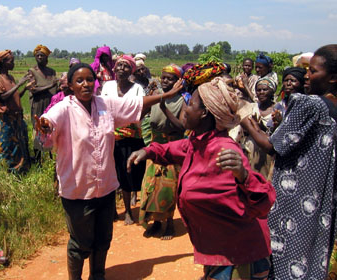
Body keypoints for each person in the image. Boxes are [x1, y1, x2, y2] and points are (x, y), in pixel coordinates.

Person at [35, 63, 183, 280]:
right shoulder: (64, 109)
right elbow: (49, 124)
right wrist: (45, 126)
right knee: (80, 243)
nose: (85, 84)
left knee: (103, 239)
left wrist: (166, 95)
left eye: (89, 79)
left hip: (104, 187)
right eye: (79, 80)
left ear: (96, 82)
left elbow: (137, 103)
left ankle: (98, 275)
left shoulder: (106, 104)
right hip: (77, 191)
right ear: (71, 85)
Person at [127, 77, 276, 280]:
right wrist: (148, 151)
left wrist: (244, 175)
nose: (185, 109)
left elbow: (263, 203)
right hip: (219, 250)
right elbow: (175, 148)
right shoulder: (199, 142)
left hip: (239, 255)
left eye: (190, 104)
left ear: (204, 113)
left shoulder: (224, 150)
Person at [239, 44, 337, 279]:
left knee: (285, 255)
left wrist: (244, 121)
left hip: (296, 196)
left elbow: (274, 146)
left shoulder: (310, 104)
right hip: (323, 195)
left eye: (313, 72)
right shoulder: (332, 107)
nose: (307, 77)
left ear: (333, 77)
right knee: (313, 253)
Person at [139, 64, 186, 240]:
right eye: (163, 77)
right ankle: (155, 222)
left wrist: (165, 107)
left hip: (171, 147)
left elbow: (182, 126)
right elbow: (142, 114)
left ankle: (170, 224)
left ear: (178, 82)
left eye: (170, 78)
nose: (165, 81)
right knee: (150, 185)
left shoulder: (182, 101)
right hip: (154, 145)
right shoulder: (155, 97)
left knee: (168, 188)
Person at [101, 55, 146, 225]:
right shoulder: (108, 86)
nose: (121, 69)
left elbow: (140, 111)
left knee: (127, 173)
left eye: (126, 66)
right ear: (114, 68)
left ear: (132, 71)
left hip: (130, 137)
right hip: (109, 136)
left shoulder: (137, 89)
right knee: (110, 172)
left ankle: (128, 211)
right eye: (119, 65)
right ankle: (112, 210)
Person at [0, 50, 31, 173]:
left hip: (16, 118)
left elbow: (14, 96)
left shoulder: (10, 77)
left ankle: (19, 172)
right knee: (6, 148)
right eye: (11, 61)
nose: (13, 63)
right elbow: (2, 97)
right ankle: (6, 173)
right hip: (6, 119)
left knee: (18, 147)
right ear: (3, 63)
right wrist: (19, 84)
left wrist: (24, 88)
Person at [28, 44, 57, 164]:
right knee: (38, 130)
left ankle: (51, 158)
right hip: (38, 105)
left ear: (46, 58)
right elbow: (34, 90)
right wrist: (50, 85)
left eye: (42, 55)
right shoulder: (32, 72)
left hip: (50, 104)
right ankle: (38, 160)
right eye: (38, 55)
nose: (40, 57)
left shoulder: (52, 72)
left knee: (51, 129)